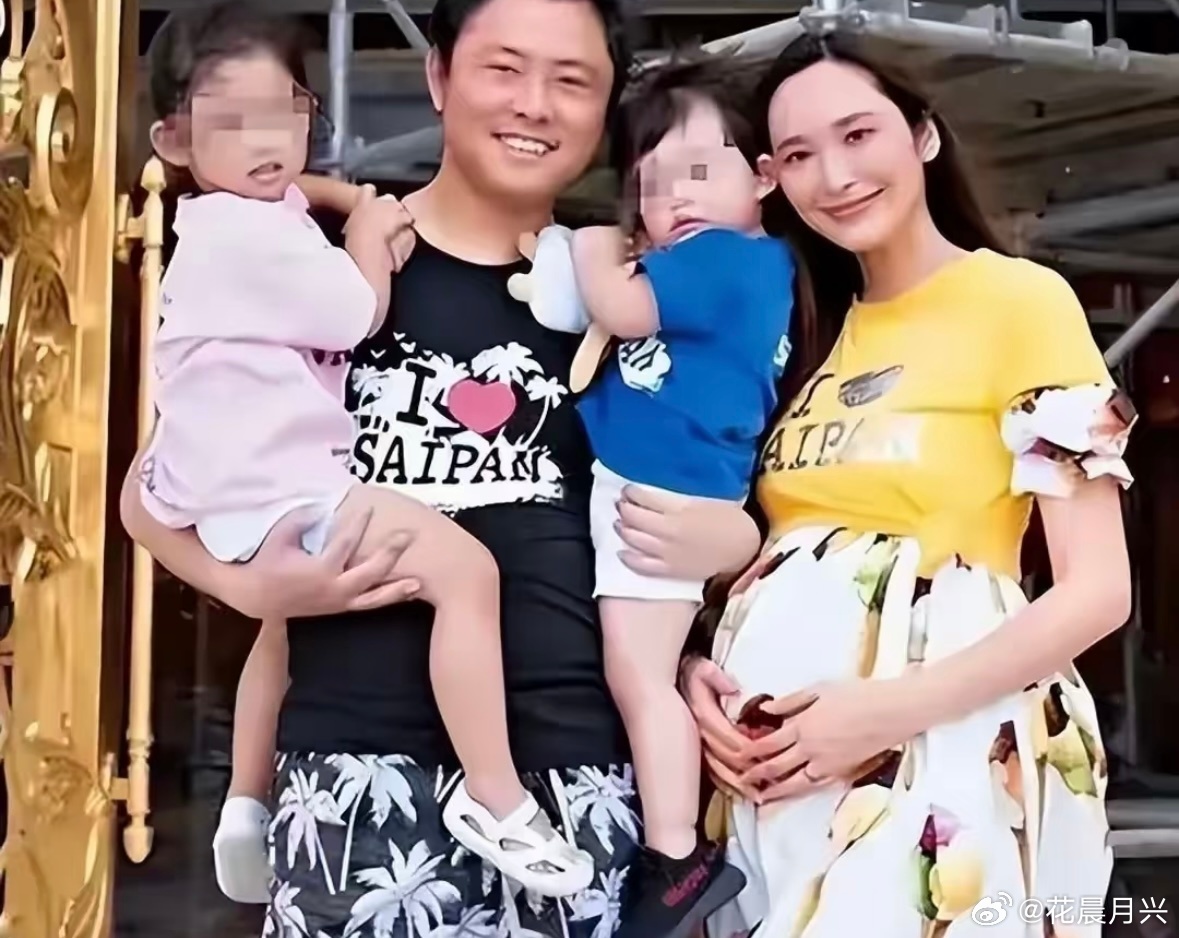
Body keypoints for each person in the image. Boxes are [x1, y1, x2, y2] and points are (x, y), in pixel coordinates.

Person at [120, 0, 763, 934]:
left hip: (583, 782)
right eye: (503, 68)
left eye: (571, 80)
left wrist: (723, 562)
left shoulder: (626, 290)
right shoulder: (327, 269)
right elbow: (153, 486)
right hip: (353, 779)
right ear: (439, 76)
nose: (534, 103)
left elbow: (698, 492)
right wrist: (245, 584)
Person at [677, 35, 1134, 938]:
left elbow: (1098, 590)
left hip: (947, 759)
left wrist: (882, 714)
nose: (834, 175)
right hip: (773, 783)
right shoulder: (795, 330)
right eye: (797, 155)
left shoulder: (1019, 301)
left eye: (857, 135)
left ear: (922, 135)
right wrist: (694, 678)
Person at [567, 57, 794, 937]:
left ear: (762, 177)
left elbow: (620, 308)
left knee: (639, 675)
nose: (674, 197)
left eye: (698, 170)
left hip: (661, 496)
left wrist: (592, 244)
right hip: (664, 485)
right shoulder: (738, 265)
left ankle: (674, 856)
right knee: (644, 671)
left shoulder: (727, 260)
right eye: (651, 184)